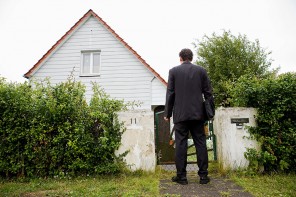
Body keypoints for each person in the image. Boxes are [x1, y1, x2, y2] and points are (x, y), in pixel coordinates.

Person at [164, 48, 213, 185]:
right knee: (200, 144)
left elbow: (170, 94)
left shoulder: (173, 71)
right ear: (191, 58)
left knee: (181, 144)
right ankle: (203, 176)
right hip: (198, 114)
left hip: (180, 115)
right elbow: (208, 93)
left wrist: (167, 113)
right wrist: (210, 112)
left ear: (180, 58)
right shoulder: (201, 71)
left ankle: (182, 177)